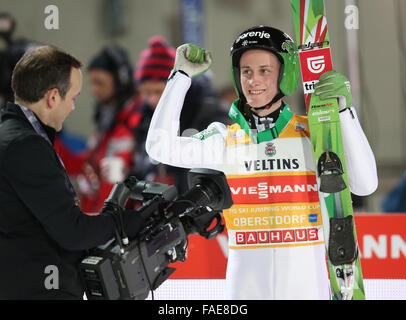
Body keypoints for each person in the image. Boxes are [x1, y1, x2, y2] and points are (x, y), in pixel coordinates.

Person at [145, 26, 378, 299]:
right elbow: (159, 148)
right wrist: (180, 77)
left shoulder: (312, 134)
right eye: (246, 71)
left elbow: (365, 184)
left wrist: (345, 113)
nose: (253, 80)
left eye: (264, 70)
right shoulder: (225, 139)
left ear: (285, 75)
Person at [0, 45, 146, 299]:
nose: (73, 107)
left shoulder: (13, 136)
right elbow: (71, 231)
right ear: (53, 97)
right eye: (73, 98)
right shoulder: (25, 145)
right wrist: (123, 222)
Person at [133, 36, 229, 194]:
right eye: (146, 92)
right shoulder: (144, 117)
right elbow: (142, 165)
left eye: (158, 91)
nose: (152, 99)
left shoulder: (211, 113)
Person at [56, 44, 143, 212]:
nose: (94, 90)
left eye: (100, 83)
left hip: (128, 219)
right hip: (102, 215)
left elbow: (154, 170)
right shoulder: (108, 119)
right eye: (92, 83)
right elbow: (85, 162)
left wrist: (131, 173)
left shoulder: (139, 118)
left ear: (120, 80)